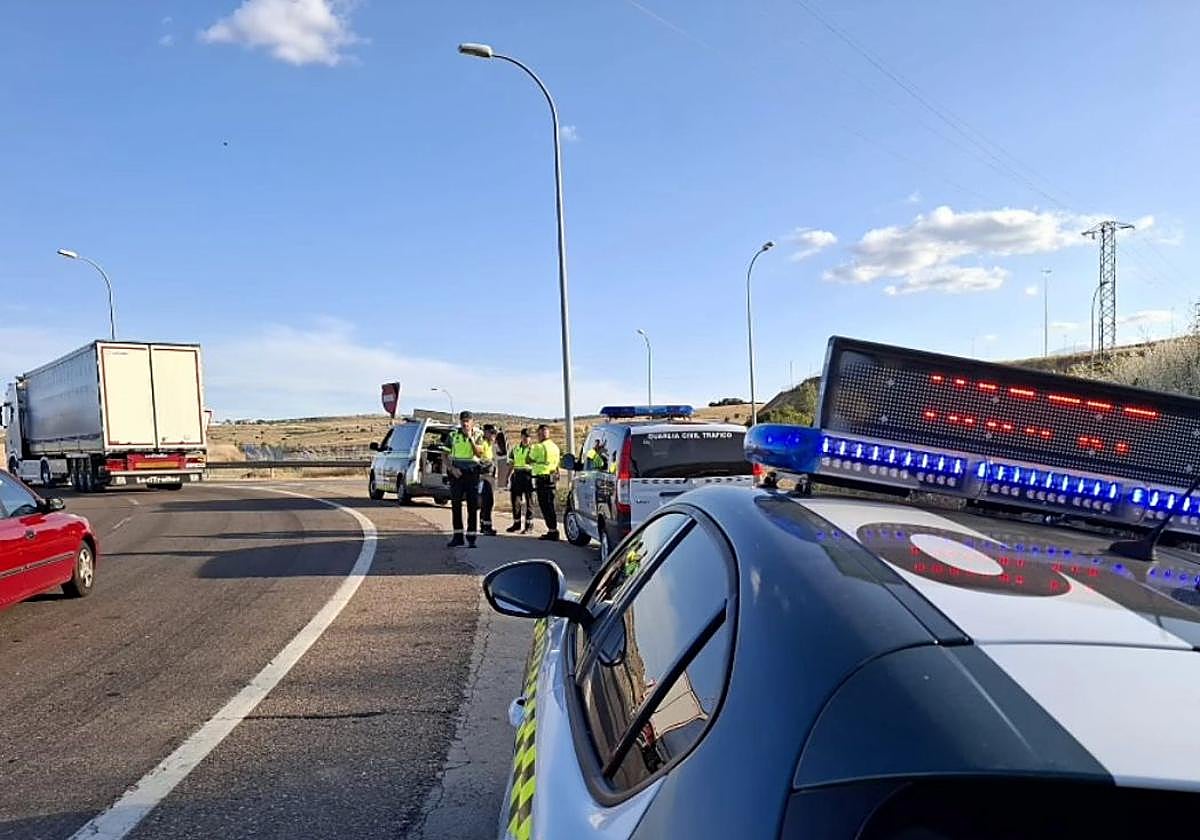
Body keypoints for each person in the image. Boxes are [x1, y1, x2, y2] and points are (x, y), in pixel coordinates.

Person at [445, 410, 486, 548]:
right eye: (463, 421)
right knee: (456, 505)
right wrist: (451, 469)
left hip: (472, 472)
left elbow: (479, 453)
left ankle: (472, 537)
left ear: (472, 422)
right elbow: (445, 454)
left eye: (467, 421)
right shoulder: (453, 435)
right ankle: (457, 536)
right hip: (457, 473)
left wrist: (471, 439)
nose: (465, 423)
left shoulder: (478, 435)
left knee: (472, 506)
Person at [528, 423, 562, 541]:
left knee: (545, 506)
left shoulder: (538, 447)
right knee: (550, 505)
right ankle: (553, 529)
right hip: (552, 478)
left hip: (542, 479)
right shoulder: (555, 447)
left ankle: (552, 531)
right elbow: (557, 464)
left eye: (538, 433)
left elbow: (529, 459)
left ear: (540, 433)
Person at [507, 428, 535, 533]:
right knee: (516, 502)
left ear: (530, 438)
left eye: (528, 437)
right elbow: (511, 464)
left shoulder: (533, 449)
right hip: (517, 475)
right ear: (521, 437)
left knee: (529, 502)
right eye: (524, 436)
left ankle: (529, 526)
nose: (526, 439)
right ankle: (516, 524)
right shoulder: (515, 449)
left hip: (529, 476)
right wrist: (508, 477)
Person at [478, 425, 498, 537]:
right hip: (484, 477)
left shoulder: (491, 445)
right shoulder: (483, 444)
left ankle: (483, 525)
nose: (493, 435)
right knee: (487, 502)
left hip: (489, 476)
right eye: (491, 433)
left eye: (494, 433)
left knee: (486, 503)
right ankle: (486, 527)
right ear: (485, 433)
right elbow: (479, 460)